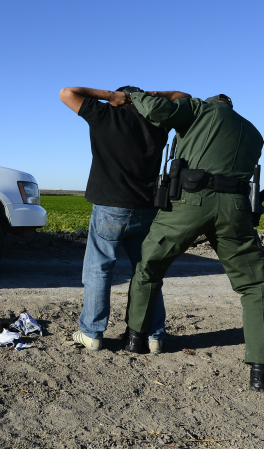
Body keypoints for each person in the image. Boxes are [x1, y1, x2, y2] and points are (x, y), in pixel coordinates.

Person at [120, 90, 264, 394]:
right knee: (254, 286)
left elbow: (156, 109)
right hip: (237, 209)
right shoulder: (254, 133)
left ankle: (135, 339)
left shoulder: (199, 109)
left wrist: (134, 94)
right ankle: (263, 372)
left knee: (149, 267)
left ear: (213, 102)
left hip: (189, 202)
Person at [59, 86, 182, 353]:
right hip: (147, 209)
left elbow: (67, 92)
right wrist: (153, 96)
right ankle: (153, 335)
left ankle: (91, 332)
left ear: (118, 100)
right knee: (147, 273)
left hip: (109, 207)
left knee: (98, 269)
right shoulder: (158, 121)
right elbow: (184, 97)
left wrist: (109, 96)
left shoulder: (104, 114)